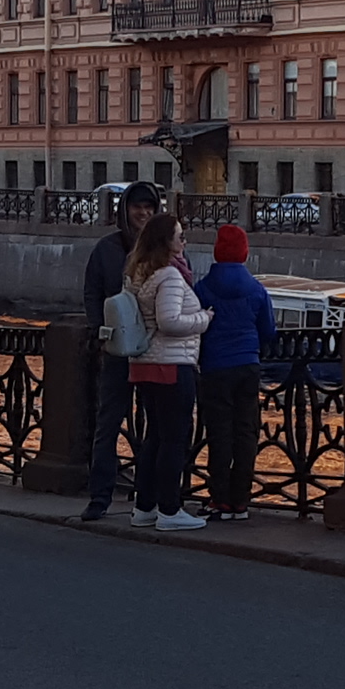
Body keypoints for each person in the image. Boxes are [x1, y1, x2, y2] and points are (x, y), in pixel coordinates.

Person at [77, 179, 163, 524]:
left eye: (149, 208)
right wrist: (101, 332)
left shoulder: (162, 248)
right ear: (125, 210)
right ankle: (99, 497)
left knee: (156, 424)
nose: (143, 213)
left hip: (154, 350)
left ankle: (149, 498)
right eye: (137, 207)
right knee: (108, 423)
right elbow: (91, 293)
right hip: (117, 350)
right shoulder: (106, 249)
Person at [120, 211, 211, 531]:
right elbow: (169, 321)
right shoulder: (170, 275)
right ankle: (170, 510)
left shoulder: (140, 271)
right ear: (166, 242)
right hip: (171, 365)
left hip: (145, 364)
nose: (184, 242)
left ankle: (144, 507)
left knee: (155, 437)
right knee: (174, 439)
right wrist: (204, 319)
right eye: (180, 236)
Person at [192, 222, 277, 522]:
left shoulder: (202, 288)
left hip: (215, 367)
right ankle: (241, 501)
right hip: (248, 366)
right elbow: (269, 330)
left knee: (219, 433)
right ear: (244, 253)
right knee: (245, 432)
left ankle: (220, 499)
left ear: (217, 252)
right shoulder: (256, 289)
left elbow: (195, 326)